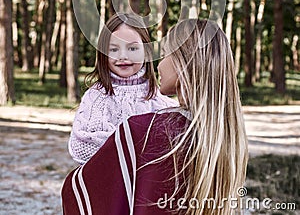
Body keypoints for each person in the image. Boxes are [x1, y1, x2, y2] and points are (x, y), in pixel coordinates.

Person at [62, 18, 248, 215]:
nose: (159, 64)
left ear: (184, 63)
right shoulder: (217, 135)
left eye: (166, 54)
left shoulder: (146, 130)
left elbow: (79, 190)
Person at [68, 12, 178, 164]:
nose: (123, 56)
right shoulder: (97, 97)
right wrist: (141, 146)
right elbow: (81, 147)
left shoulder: (162, 103)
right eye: (114, 50)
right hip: (109, 185)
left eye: (132, 49)